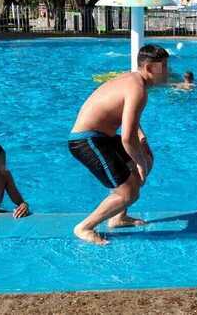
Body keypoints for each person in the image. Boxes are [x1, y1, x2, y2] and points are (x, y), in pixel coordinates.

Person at [68, 44, 169, 244]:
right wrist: (139, 162)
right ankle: (84, 227)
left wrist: (142, 142)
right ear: (149, 68)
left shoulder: (132, 79)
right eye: (164, 66)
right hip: (87, 141)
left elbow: (129, 119)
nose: (168, 71)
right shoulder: (138, 89)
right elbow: (126, 138)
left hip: (101, 137)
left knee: (147, 158)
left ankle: (118, 217)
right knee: (129, 191)